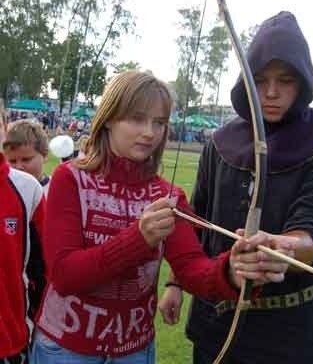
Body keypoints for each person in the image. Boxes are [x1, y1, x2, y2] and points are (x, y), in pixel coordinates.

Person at [29, 71, 290, 364]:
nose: (150, 132)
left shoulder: (168, 195)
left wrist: (232, 270)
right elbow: (64, 275)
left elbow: (193, 268)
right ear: (110, 118)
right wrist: (139, 239)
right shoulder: (70, 178)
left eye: (160, 123)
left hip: (134, 351)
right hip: (66, 350)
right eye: (137, 119)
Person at [159, 11, 313, 364]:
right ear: (245, 81)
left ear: (304, 82)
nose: (272, 92)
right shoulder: (220, 142)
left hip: (290, 334)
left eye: (285, 79)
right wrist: (175, 283)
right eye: (260, 80)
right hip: (217, 319)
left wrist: (282, 248)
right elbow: (197, 221)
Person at [0, 100, 46, 364]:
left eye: (26, 159)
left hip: (11, 342)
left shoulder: (28, 190)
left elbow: (44, 269)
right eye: (14, 159)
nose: (19, 165)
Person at [3, 119, 51, 195]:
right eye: (12, 161)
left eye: (26, 160)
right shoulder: (4, 191)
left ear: (44, 155)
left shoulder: (58, 190)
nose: (18, 167)